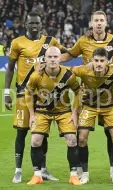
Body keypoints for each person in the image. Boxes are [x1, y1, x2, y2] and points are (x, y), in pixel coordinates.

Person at [60, 10, 113, 181]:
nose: (98, 23)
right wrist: (53, 60)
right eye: (96, 20)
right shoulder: (83, 40)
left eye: (101, 20)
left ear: (106, 23)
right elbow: (70, 55)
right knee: (81, 137)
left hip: (108, 94)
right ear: (91, 23)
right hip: (87, 96)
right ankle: (83, 172)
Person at [4, 11, 66, 183]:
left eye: (37, 23)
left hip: (44, 96)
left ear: (41, 24)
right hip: (24, 94)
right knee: (21, 132)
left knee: (42, 133)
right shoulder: (17, 43)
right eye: (31, 23)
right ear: (26, 24)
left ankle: (43, 169)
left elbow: (67, 54)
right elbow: (10, 68)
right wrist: (7, 92)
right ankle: (18, 170)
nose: (34, 26)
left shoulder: (50, 41)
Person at [25, 46, 81, 185]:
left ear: (60, 58)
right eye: (49, 57)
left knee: (72, 139)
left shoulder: (68, 75)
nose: (52, 59)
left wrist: (75, 113)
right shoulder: (36, 75)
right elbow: (28, 93)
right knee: (35, 140)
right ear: (44, 59)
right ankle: (37, 175)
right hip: (42, 111)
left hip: (63, 111)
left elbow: (78, 91)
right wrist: (32, 115)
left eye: (55, 57)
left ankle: (73, 175)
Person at [71, 48, 113, 184]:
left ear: (107, 62)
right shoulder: (83, 70)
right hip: (89, 107)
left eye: (102, 61)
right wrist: (43, 66)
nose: (99, 63)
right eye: (96, 60)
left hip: (109, 107)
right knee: (81, 138)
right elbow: (66, 70)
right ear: (91, 61)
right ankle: (85, 173)